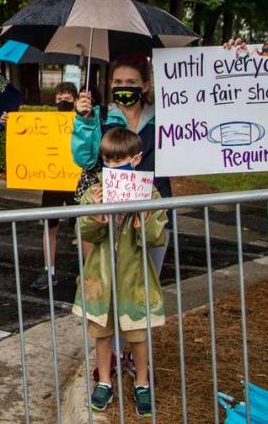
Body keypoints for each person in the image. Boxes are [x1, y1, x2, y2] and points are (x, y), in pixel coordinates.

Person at [72, 128, 167, 416]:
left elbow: (156, 236)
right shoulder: (94, 192)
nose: (112, 167)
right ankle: (104, 381)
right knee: (101, 331)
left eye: (118, 161)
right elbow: (83, 229)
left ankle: (141, 382)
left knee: (137, 332)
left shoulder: (149, 192)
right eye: (107, 161)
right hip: (101, 275)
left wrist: (144, 221)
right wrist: (97, 215)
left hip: (133, 275)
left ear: (135, 159)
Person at [72, 54, 171, 274]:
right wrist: (83, 122)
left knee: (146, 286)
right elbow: (84, 159)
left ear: (145, 86)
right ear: (110, 84)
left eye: (131, 82)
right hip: (109, 214)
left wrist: (233, 56)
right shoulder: (98, 116)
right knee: (105, 285)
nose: (123, 87)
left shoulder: (166, 116)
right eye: (118, 82)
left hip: (152, 211)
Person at [3, 82, 79, 292]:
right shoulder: (46, 122)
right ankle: (49, 270)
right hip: (53, 183)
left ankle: (88, 271)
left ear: (75, 98)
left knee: (82, 227)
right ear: (54, 99)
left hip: (75, 181)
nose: (63, 99)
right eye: (60, 96)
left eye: (68, 96)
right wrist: (10, 123)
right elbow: (26, 136)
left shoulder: (81, 120)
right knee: (49, 226)